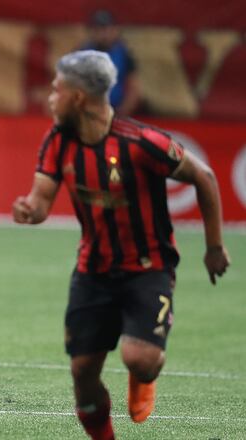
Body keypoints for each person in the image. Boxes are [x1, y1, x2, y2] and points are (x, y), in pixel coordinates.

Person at [12, 50, 230, 440]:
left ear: (78, 97)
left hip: (149, 268)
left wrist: (214, 247)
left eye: (56, 89)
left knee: (140, 359)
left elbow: (206, 178)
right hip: (93, 271)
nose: (49, 97)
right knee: (83, 371)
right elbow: (41, 201)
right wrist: (31, 209)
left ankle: (143, 376)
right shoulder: (58, 141)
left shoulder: (142, 143)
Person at [81, 9, 140, 116]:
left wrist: (124, 110)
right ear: (92, 32)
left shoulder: (124, 54)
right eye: (98, 30)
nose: (103, 35)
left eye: (107, 29)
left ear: (115, 30)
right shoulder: (82, 54)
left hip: (116, 112)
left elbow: (134, 87)